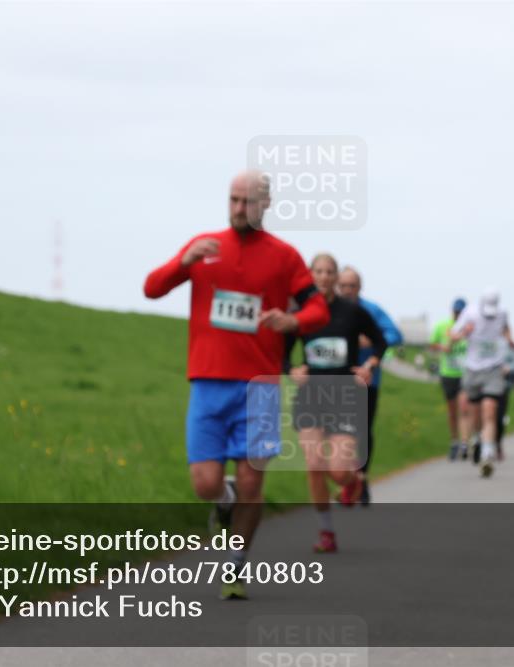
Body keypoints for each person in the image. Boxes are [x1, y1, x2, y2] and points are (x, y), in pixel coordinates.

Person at [143, 170, 330, 599]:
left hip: (260, 386)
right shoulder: (205, 248)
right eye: (233, 200)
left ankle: (235, 567)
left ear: (266, 204)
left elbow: (318, 307)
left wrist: (293, 321)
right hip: (208, 382)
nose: (239, 209)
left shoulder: (285, 256)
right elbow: (152, 288)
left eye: (247, 202)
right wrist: (184, 261)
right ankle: (221, 499)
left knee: (252, 482)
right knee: (205, 483)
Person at [286, 254, 387, 552]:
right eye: (319, 271)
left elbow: (381, 340)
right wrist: (291, 369)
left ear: (335, 277)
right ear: (311, 275)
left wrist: (369, 365)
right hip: (310, 397)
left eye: (330, 272)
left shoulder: (352, 312)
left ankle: (352, 480)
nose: (325, 277)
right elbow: (281, 350)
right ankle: (326, 532)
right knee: (314, 465)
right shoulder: (302, 312)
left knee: (339, 472)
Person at [337, 266, 403, 506]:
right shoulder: (331, 309)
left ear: (359, 287)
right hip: (336, 379)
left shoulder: (371, 310)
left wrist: (368, 340)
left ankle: (361, 480)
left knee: (362, 430)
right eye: (342, 286)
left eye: (351, 286)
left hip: (368, 380)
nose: (346, 291)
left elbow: (394, 335)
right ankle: (347, 480)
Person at [448, 289, 514, 478]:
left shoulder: (502, 313)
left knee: (490, 410)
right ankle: (477, 439)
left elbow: (506, 328)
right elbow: (452, 336)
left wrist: (511, 339)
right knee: (475, 414)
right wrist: (464, 332)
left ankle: (487, 454)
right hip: (473, 369)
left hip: (494, 368)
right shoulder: (469, 313)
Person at [429, 298, 468, 461]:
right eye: (456, 312)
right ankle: (454, 441)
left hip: (465, 374)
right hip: (448, 373)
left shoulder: (470, 328)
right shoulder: (442, 326)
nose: (458, 315)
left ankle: (465, 444)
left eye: (461, 312)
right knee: (452, 411)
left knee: (464, 409)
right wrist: (443, 347)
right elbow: (432, 344)